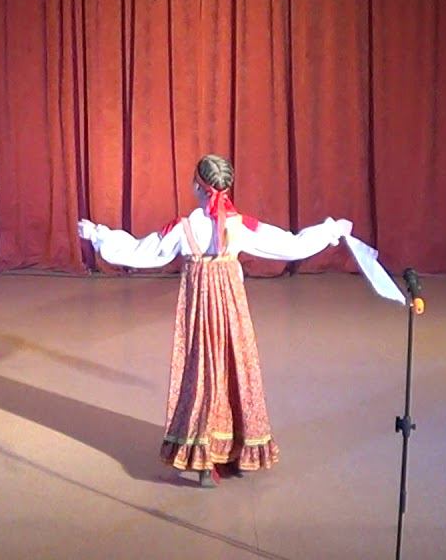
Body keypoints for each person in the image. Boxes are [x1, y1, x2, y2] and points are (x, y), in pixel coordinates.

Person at [78, 154, 353, 487]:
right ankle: (241, 448)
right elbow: (290, 246)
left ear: (197, 187)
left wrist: (98, 235)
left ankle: (204, 457)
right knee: (236, 366)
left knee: (203, 372)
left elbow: (142, 252)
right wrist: (331, 230)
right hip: (231, 308)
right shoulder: (240, 225)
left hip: (200, 309)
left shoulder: (184, 227)